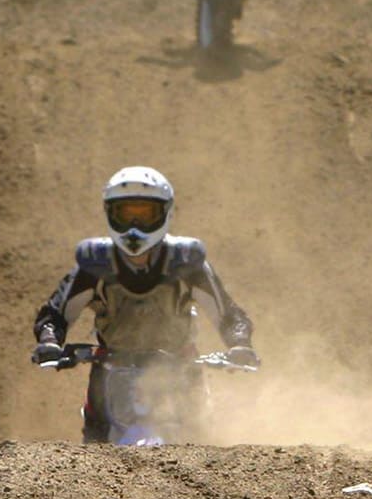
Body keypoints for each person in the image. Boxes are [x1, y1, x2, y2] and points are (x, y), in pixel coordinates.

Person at [31, 166, 257, 444]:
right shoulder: (94, 265)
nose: (134, 227)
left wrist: (240, 345)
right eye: (126, 214)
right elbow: (54, 315)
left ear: (165, 214)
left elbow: (229, 315)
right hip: (111, 368)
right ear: (109, 214)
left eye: (145, 214)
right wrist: (50, 343)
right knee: (95, 451)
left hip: (179, 367)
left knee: (199, 443)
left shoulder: (187, 263)